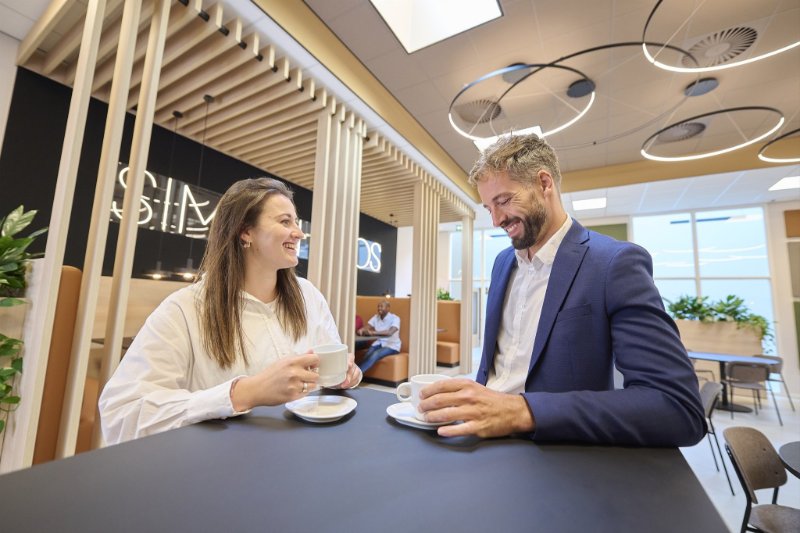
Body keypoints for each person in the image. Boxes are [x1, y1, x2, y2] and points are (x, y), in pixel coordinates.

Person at [418, 134, 705, 446]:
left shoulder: (613, 264)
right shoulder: (502, 264)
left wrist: (521, 412)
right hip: (482, 441)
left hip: (554, 452)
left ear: (544, 184)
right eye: (488, 208)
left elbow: (677, 408)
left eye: (503, 201)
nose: (497, 219)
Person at [99, 178, 362, 444]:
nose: (298, 232)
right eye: (285, 222)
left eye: (296, 222)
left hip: (307, 452)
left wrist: (345, 376)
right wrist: (243, 393)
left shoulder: (309, 297)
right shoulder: (185, 309)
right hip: (224, 467)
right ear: (245, 232)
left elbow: (330, 368)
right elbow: (121, 413)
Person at [356, 300, 401, 373]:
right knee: (367, 353)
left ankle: (356, 376)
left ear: (388, 308)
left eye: (381, 306)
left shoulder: (395, 318)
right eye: (378, 306)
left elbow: (390, 332)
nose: (379, 308)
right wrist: (361, 330)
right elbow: (368, 326)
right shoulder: (376, 317)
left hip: (392, 346)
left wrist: (372, 333)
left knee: (375, 354)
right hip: (378, 343)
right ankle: (356, 374)